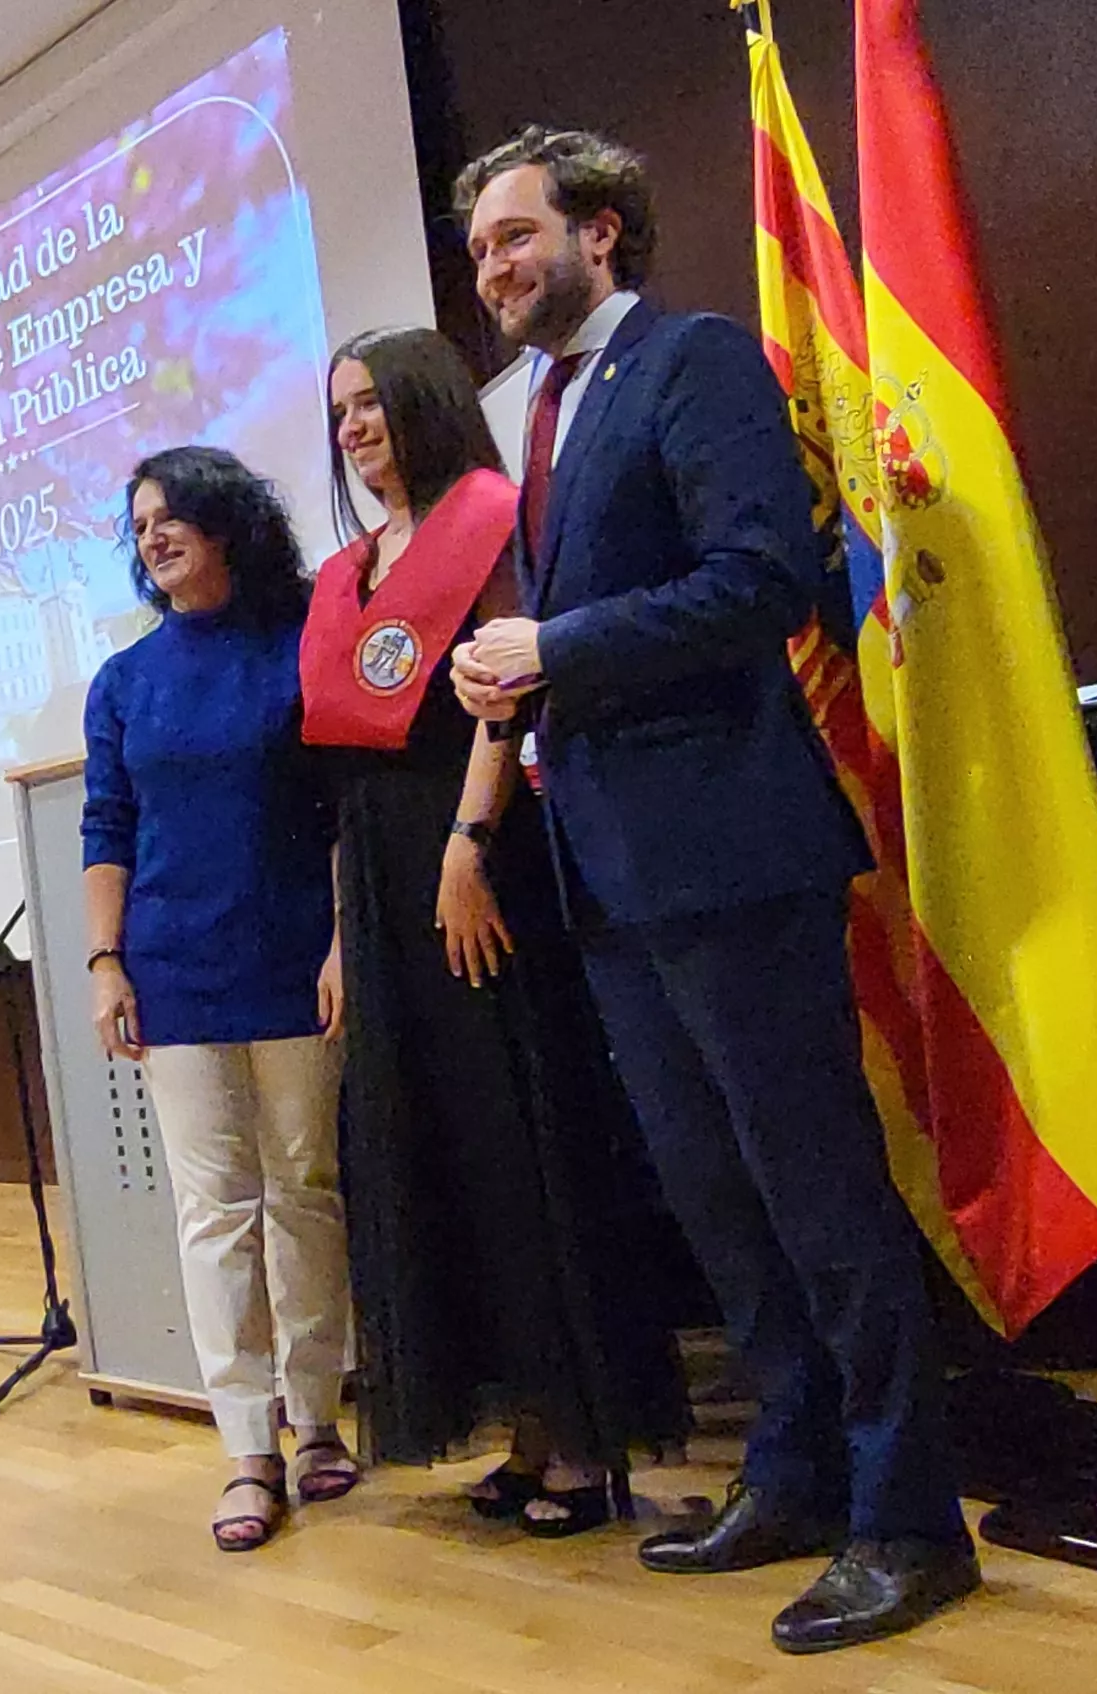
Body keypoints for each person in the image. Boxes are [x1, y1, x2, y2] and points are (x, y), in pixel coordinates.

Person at [447, 126, 974, 1652]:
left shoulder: (695, 362)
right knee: (718, 1201)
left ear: (603, 230)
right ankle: (794, 1473)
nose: (493, 268)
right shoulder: (540, 412)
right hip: (608, 870)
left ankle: (907, 1520)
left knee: (816, 1191)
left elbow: (764, 580)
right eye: (480, 247)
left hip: (732, 852)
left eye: (515, 235)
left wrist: (557, 645)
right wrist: (520, 665)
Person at [300, 327, 692, 1537]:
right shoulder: (347, 570)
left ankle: (577, 1439)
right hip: (379, 881)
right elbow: (336, 767)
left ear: (421, 401)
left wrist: (470, 846)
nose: (355, 427)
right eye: (340, 414)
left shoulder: (492, 516)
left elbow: (505, 695)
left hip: (479, 856)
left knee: (515, 1134)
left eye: (371, 404)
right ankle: (520, 1430)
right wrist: (336, 938)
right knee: (436, 1150)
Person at [82, 445, 350, 1554]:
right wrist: (105, 961)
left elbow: (343, 804)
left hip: (293, 954)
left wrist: (345, 938)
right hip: (172, 965)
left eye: (171, 515)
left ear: (226, 522)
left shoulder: (302, 643)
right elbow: (107, 827)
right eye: (138, 525)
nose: (152, 536)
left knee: (305, 1187)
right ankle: (246, 1443)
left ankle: (318, 1421)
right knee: (213, 1209)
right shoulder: (123, 680)